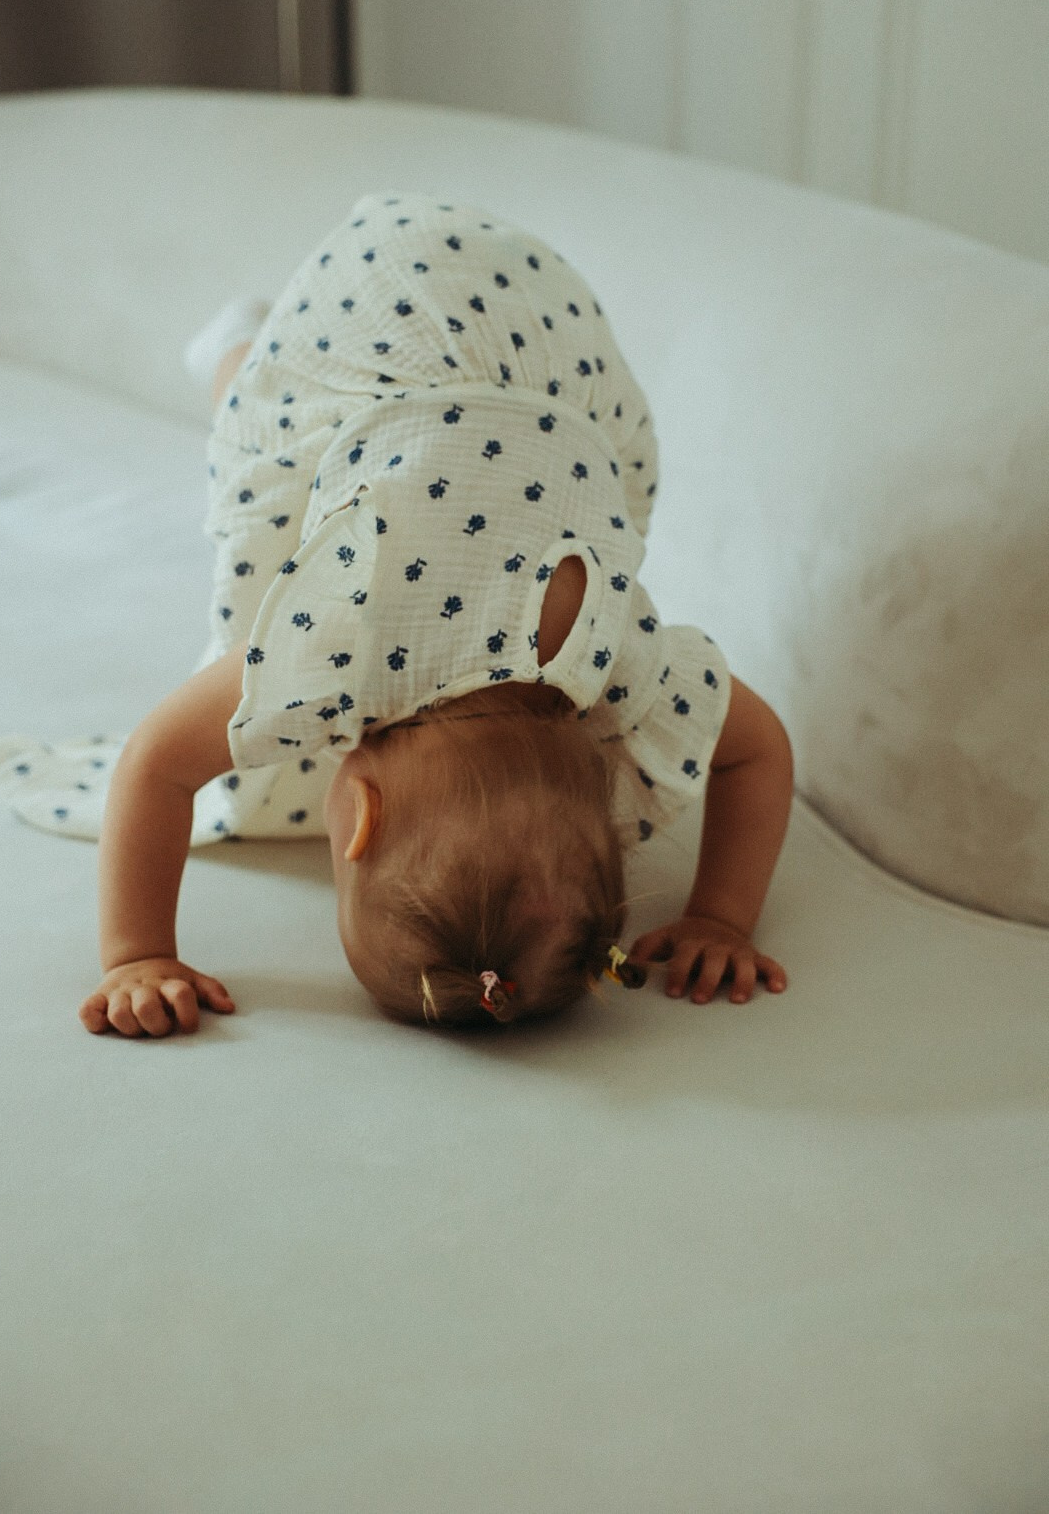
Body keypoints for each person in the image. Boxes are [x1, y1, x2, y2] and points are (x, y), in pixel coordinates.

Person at [74, 191, 793, 1039]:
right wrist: (137, 954)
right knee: (260, 465)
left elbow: (757, 751)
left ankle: (251, 343)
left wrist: (721, 916)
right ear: (358, 816)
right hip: (371, 331)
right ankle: (241, 342)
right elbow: (157, 763)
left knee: (308, 492)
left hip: (552, 339)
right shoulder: (343, 644)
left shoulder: (609, 657)